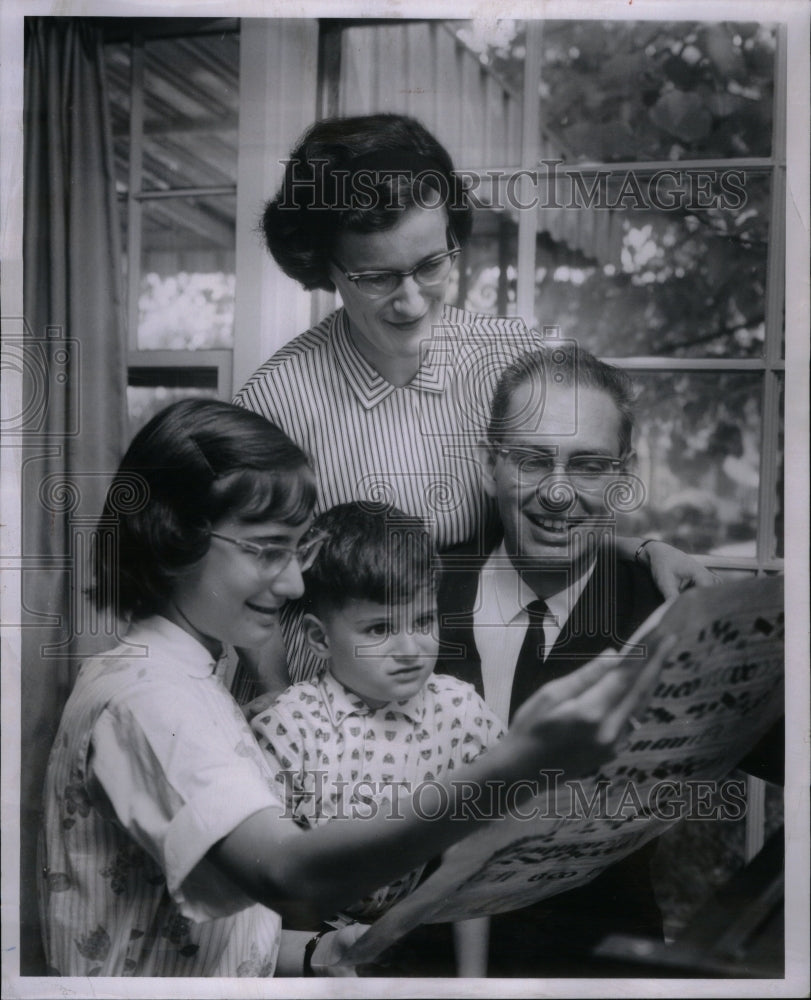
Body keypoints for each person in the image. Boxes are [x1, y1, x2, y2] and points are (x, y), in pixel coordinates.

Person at [38, 399, 665, 978]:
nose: (290, 585)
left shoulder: (188, 673)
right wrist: (511, 765)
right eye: (267, 551)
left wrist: (317, 949)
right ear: (175, 537)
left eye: (298, 551)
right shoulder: (150, 698)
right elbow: (286, 873)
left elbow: (208, 924)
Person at [234, 112, 714, 687]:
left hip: (463, 700)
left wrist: (641, 550)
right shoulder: (274, 401)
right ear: (325, 268)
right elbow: (248, 587)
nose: (411, 302)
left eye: (431, 266)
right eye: (375, 277)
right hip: (321, 712)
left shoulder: (514, 356)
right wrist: (281, 720)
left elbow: (548, 501)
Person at [434, 343, 672, 975]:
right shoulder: (412, 595)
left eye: (589, 466)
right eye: (533, 460)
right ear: (490, 467)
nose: (559, 493)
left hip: (600, 973)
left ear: (621, 480)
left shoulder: (665, 611)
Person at [250, 501, 503, 930]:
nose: (410, 649)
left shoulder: (458, 708)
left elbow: (509, 804)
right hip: (299, 929)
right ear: (319, 637)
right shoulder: (290, 727)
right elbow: (264, 873)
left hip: (411, 923)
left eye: (423, 620)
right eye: (379, 629)